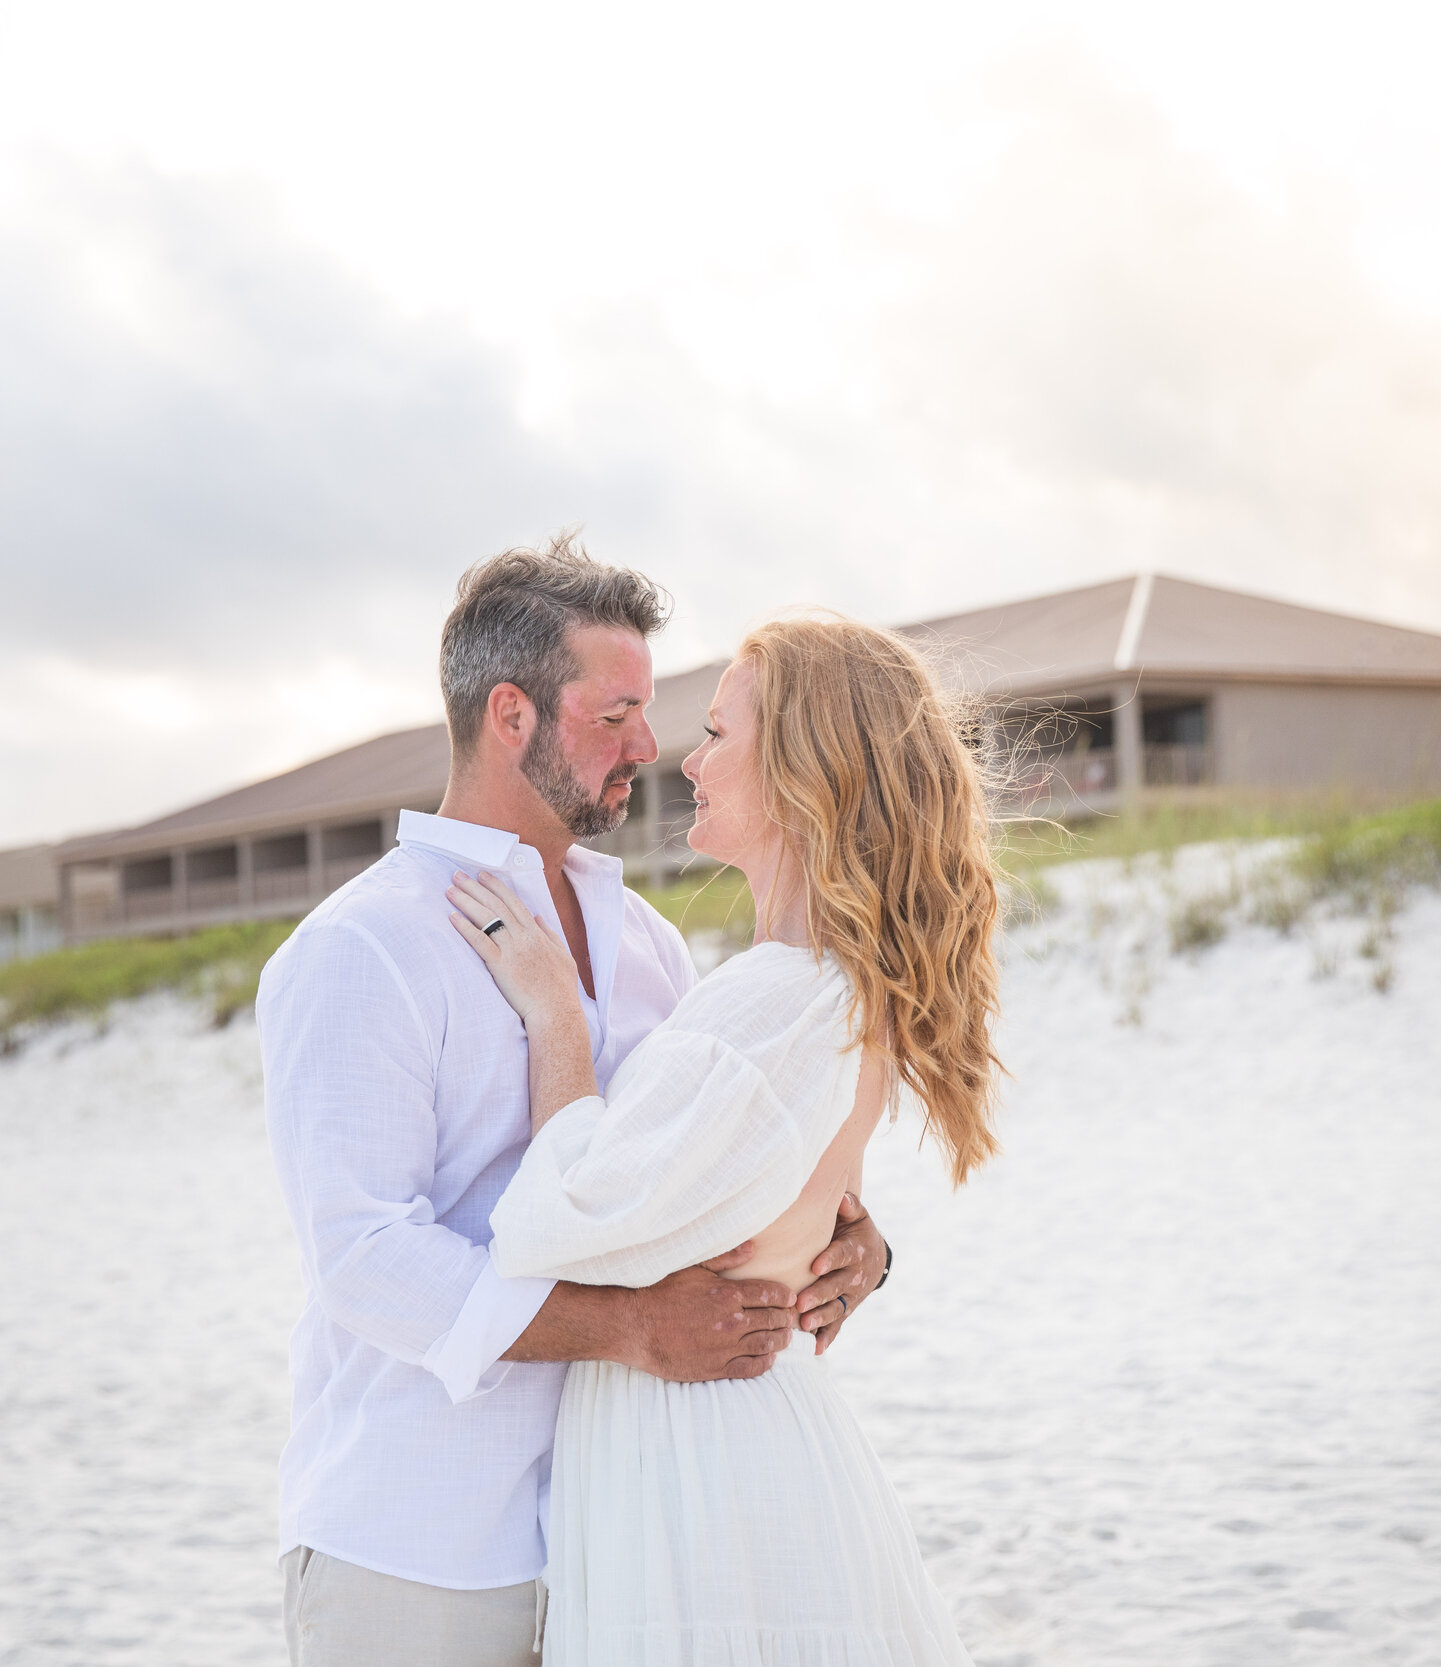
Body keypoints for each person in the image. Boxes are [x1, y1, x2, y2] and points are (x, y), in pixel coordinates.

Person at [256, 538, 892, 1667]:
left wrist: (852, 1237)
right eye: (615, 715)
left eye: (653, 713)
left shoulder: (646, 940)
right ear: (511, 715)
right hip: (423, 1546)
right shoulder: (361, 948)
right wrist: (626, 1329)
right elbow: (362, 1257)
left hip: (626, 1535)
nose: (650, 747)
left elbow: (710, 1157)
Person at [443, 612, 1004, 1663]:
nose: (687, 758)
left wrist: (554, 1018)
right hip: (739, 1425)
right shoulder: (822, 988)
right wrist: (861, 1250)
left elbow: (554, 1225)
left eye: (715, 731)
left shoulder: (781, 995)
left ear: (800, 767)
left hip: (696, 1450)